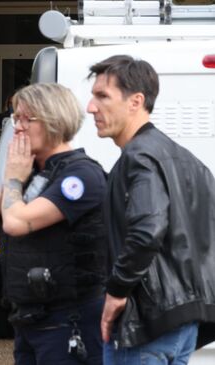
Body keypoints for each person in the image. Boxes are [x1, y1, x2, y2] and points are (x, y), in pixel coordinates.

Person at [0, 83, 108, 365]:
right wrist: (10, 182)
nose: (16, 128)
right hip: (30, 321)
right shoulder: (31, 176)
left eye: (24, 119)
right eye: (14, 118)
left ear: (53, 121)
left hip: (69, 322)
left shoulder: (80, 176)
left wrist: (15, 180)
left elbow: (17, 223)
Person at [88, 55, 215, 364]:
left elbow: (147, 231)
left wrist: (117, 292)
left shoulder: (139, 157)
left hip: (145, 323)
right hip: (184, 322)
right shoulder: (188, 160)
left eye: (102, 96)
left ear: (136, 101)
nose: (91, 107)